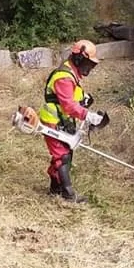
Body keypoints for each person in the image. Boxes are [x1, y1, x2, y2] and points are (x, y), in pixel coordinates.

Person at [38, 39, 109, 203]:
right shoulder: (64, 77)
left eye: (92, 65)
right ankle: (69, 195)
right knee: (61, 156)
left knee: (65, 154)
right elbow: (68, 105)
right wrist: (88, 115)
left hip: (62, 119)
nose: (89, 68)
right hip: (53, 120)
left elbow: (71, 97)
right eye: (88, 63)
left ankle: (55, 189)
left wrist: (83, 99)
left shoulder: (71, 73)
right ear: (79, 58)